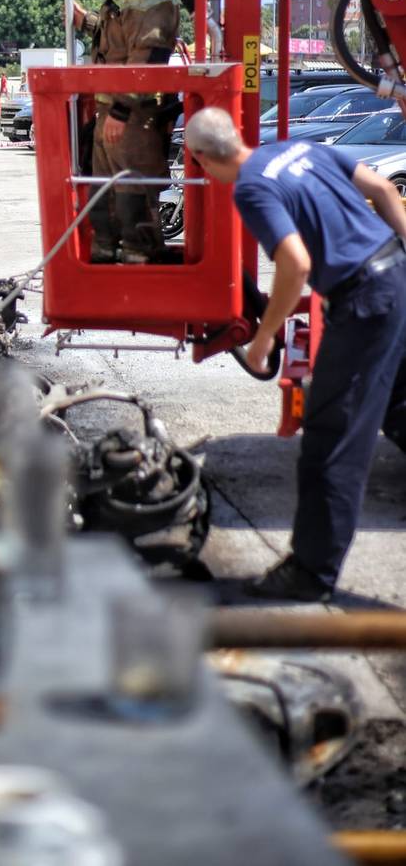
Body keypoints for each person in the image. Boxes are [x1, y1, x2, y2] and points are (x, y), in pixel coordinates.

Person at [184, 106, 406, 602]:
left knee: (331, 442)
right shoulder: (298, 148)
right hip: (396, 275)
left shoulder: (250, 186)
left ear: (199, 158)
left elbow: (296, 262)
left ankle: (311, 573)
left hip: (365, 301)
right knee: (399, 405)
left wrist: (264, 337)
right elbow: (386, 191)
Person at [73, 0, 180, 264]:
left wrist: (119, 111)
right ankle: (105, 256)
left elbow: (147, 61)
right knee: (103, 194)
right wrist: (84, 20)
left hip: (134, 117)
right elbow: (117, 40)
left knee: (133, 195)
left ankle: (139, 266)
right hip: (115, 113)